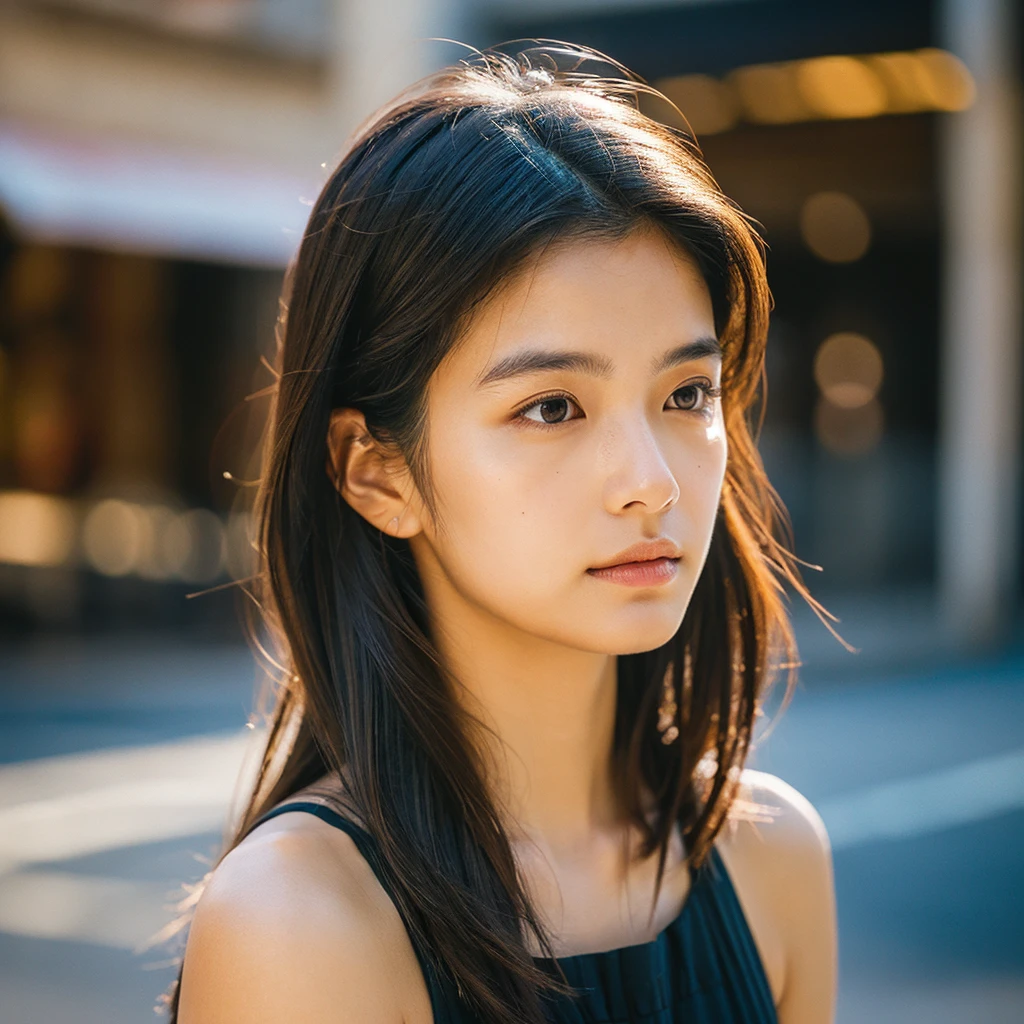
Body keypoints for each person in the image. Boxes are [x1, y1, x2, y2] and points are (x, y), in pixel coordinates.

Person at [171, 42, 839, 1024]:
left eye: (685, 393)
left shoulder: (771, 856)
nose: (651, 482)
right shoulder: (301, 924)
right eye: (552, 407)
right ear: (376, 470)